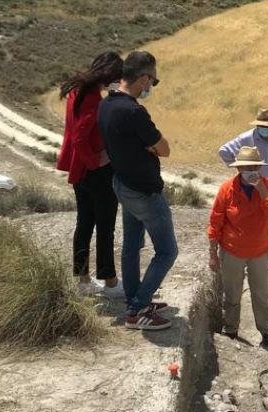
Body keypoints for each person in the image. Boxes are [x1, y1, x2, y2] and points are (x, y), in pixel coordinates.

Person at [97, 51, 178, 331]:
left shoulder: (106, 105)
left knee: (132, 247)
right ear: (143, 78)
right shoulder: (134, 111)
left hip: (122, 184)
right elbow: (165, 148)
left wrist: (145, 146)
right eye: (152, 82)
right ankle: (137, 310)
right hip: (144, 191)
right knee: (167, 251)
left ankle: (135, 298)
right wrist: (151, 147)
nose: (150, 88)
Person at [57, 51, 125, 298]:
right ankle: (110, 281)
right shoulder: (94, 99)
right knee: (105, 226)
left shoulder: (77, 91)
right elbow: (80, 138)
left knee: (84, 222)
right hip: (95, 171)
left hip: (80, 170)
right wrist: (100, 159)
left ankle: (83, 279)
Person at [207, 146, 268, 348]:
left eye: (254, 166)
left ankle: (267, 333)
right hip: (232, 250)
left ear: (259, 167)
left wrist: (262, 191)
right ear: (238, 169)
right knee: (231, 293)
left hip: (260, 250)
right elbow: (215, 222)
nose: (250, 170)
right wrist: (212, 254)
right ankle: (231, 330)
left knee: (262, 293)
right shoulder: (226, 189)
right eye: (245, 167)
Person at [218, 108, 268, 269]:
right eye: (262, 126)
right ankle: (251, 257)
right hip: (257, 186)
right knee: (253, 222)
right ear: (257, 126)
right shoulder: (246, 138)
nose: (265, 130)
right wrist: (242, 168)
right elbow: (223, 151)